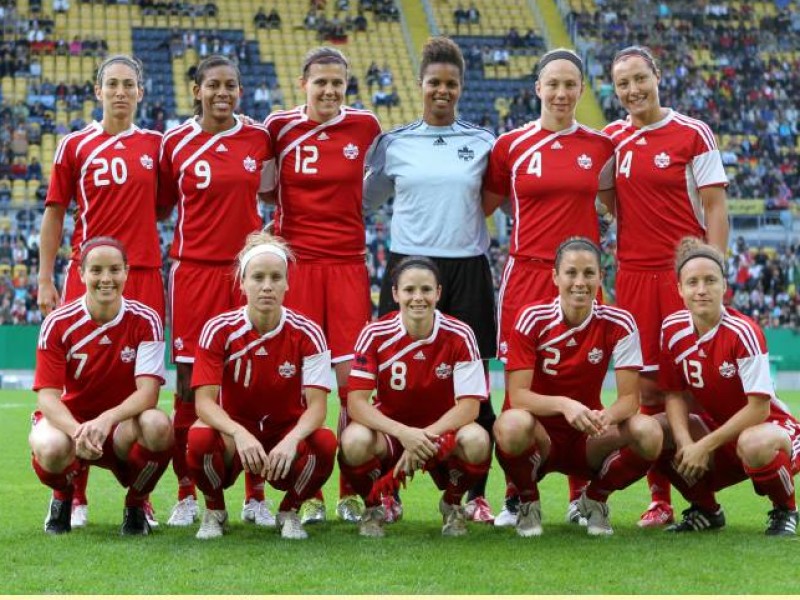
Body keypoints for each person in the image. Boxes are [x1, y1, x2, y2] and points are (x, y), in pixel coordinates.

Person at [363, 36, 497, 523]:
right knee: (390, 384)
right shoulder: (394, 143)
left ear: (461, 88)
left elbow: (498, 195)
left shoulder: (483, 142)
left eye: (452, 84)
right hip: (409, 268)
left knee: (475, 385)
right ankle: (388, 490)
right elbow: (363, 201)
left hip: (466, 267)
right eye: (434, 83)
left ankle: (475, 492)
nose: (443, 91)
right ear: (419, 85)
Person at [482, 48, 614, 526]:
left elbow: (611, 204)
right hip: (526, 275)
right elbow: (490, 204)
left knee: (586, 378)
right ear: (537, 88)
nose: (561, 93)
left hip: (580, 277)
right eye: (552, 83)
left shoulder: (601, 147)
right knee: (518, 391)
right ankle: (519, 494)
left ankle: (583, 495)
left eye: (570, 85)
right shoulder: (510, 145)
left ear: (581, 90)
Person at [603, 46, 729, 528]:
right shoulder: (611, 138)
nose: (633, 90)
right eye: (623, 84)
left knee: (691, 389)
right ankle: (660, 500)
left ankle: (706, 490)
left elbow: (715, 207)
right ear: (615, 91)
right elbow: (606, 199)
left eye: (640, 79)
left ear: (657, 77)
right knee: (645, 391)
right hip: (632, 277)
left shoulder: (692, 133)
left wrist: (711, 273)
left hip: (682, 277)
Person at [39, 54, 164, 529]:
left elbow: (175, 202)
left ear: (139, 92)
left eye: (128, 84)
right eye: (111, 84)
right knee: (79, 383)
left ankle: (141, 496)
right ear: (97, 91)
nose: (119, 92)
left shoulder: (157, 146)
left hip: (146, 274)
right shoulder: (74, 145)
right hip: (86, 275)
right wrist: (45, 276)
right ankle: (74, 491)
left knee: (141, 389)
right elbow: (54, 212)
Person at [262, 46, 381, 524]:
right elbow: (266, 186)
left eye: (338, 83)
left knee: (353, 382)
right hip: (300, 267)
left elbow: (376, 184)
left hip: (349, 266)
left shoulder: (366, 127)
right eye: (321, 82)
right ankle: (306, 491)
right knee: (300, 384)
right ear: (302, 84)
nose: (330, 91)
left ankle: (352, 490)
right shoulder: (278, 127)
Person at [158, 54, 275, 529]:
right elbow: (165, 204)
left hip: (244, 275)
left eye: (231, 85)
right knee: (189, 386)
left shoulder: (257, 138)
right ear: (196, 91)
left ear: (240, 92)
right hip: (194, 275)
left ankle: (255, 494)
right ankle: (187, 492)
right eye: (213, 85)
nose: (222, 92)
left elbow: (268, 193)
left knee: (253, 381)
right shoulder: (174, 143)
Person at [494, 237, 662, 536]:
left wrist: (605, 418)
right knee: (509, 424)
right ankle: (528, 503)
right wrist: (565, 404)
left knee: (649, 432)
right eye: (571, 273)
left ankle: (595, 499)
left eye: (588, 273)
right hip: (540, 434)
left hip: (587, 436)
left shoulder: (620, 322)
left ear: (600, 277)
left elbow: (628, 400)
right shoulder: (531, 318)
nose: (580, 282)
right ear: (555, 276)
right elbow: (517, 395)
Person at [186, 232, 337, 539]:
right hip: (235, 433)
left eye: (275, 277)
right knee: (199, 437)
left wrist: (291, 440)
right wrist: (239, 433)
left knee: (324, 442)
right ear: (242, 283)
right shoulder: (218, 329)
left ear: (287, 284)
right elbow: (204, 403)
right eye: (257, 277)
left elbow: (318, 407)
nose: (267, 286)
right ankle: (215, 510)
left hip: (284, 430)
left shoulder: (309, 333)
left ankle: (289, 510)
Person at [654, 238, 798, 535]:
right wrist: (685, 444)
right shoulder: (671, 329)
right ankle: (706, 510)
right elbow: (674, 394)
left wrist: (703, 446)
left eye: (710, 281)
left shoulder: (743, 332)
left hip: (771, 431)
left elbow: (758, 409)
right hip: (722, 435)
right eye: (692, 282)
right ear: (680, 289)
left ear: (725, 286)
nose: (702, 289)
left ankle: (786, 510)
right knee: (657, 431)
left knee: (752, 442)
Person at [339, 256, 491, 537]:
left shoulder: (461, 333)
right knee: (354, 441)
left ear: (438, 293)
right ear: (395, 294)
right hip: (392, 435)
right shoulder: (374, 333)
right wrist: (404, 434)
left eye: (426, 290)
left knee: (478, 440)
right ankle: (374, 507)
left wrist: (423, 436)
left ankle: (452, 504)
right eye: (409, 290)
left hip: (442, 434)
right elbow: (356, 403)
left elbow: (469, 408)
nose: (418, 298)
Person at [29, 237, 173, 535]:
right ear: (81, 274)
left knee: (158, 425)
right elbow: (48, 398)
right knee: (51, 446)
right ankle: (62, 498)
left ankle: (136, 505)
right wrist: (77, 431)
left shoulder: (146, 319)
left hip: (120, 425)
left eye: (114, 270)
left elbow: (148, 393)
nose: (106, 279)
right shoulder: (57, 323)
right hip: (71, 424)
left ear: (126, 272)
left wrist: (107, 419)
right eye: (96, 270)